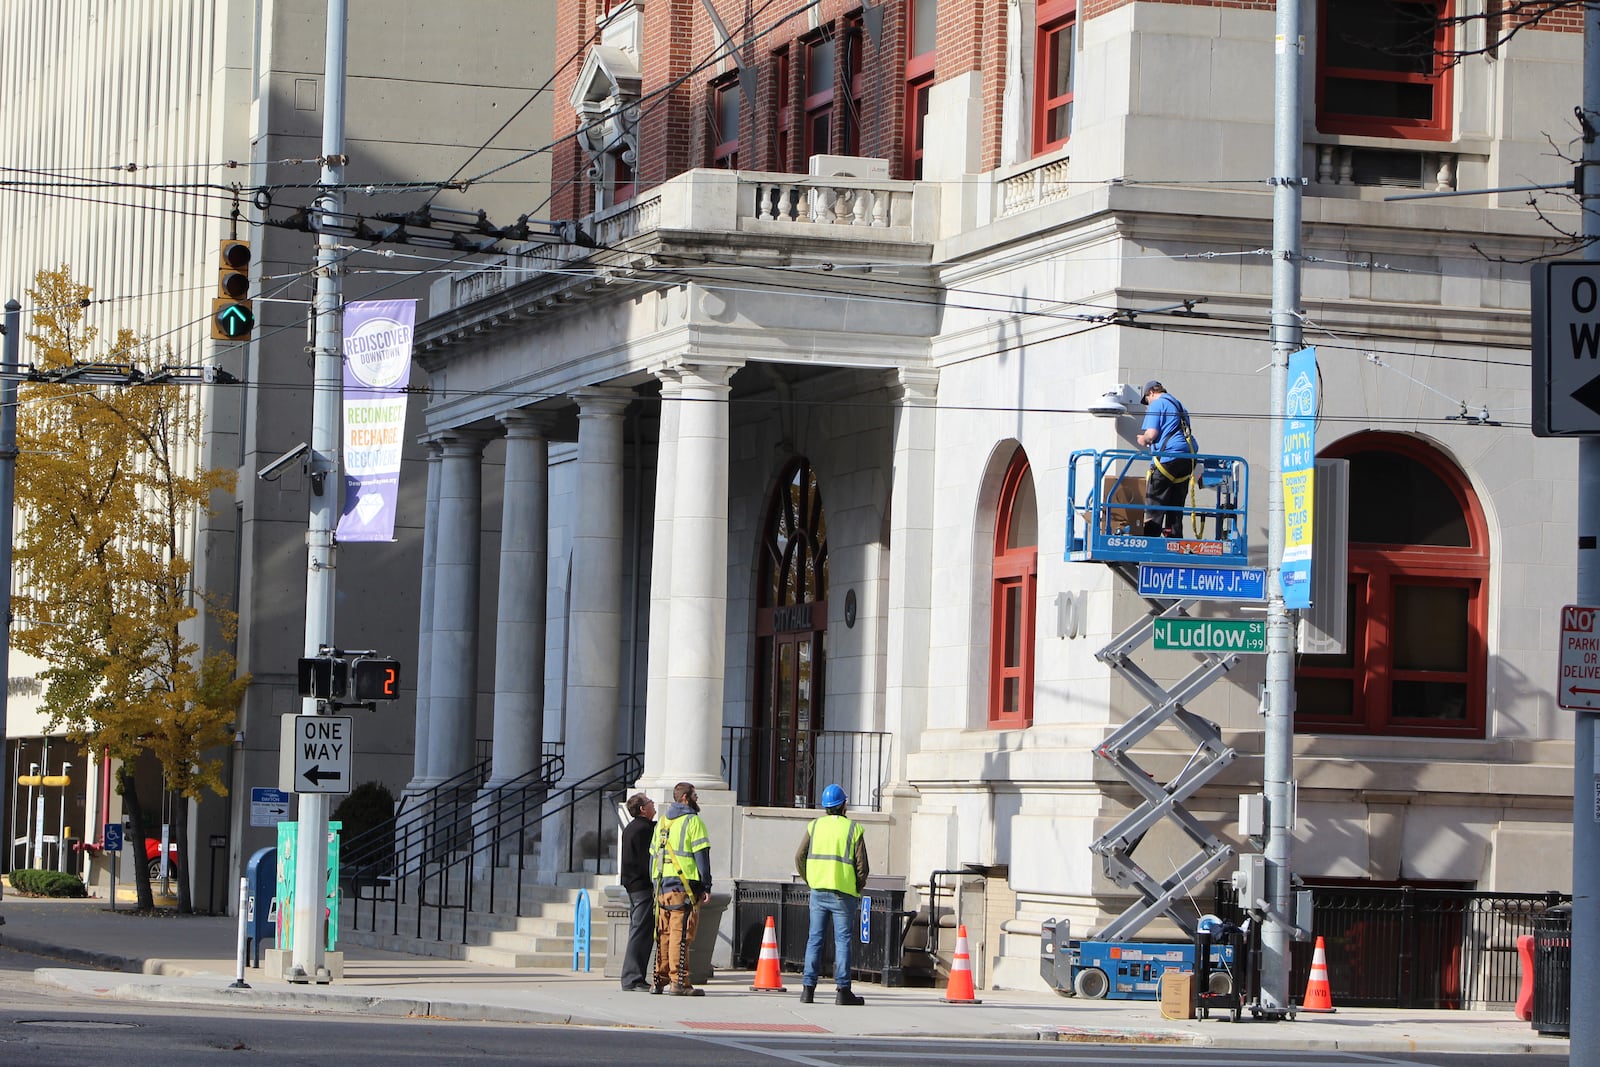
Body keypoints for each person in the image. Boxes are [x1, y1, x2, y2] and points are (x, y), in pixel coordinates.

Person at [795, 783, 870, 1006]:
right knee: (842, 941)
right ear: (844, 805)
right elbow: (862, 866)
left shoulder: (815, 826)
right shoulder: (853, 829)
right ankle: (843, 991)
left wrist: (811, 879)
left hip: (818, 891)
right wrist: (856, 887)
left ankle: (808, 990)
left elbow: (799, 856)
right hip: (844, 894)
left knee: (815, 939)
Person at [651, 781, 711, 996]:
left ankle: (659, 979)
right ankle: (679, 982)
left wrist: (655, 885)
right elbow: (702, 857)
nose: (697, 799)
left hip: (662, 886)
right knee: (681, 934)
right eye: (695, 795)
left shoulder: (663, 822)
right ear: (685, 797)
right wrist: (706, 885)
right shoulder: (693, 822)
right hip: (684, 886)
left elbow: (653, 856)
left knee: (664, 933)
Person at [1136, 380, 1198, 538]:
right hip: (1187, 459)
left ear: (1151, 393)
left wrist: (1142, 439)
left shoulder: (1157, 405)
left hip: (1168, 458)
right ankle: (1174, 539)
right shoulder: (1180, 406)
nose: (1148, 403)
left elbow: (1151, 435)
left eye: (1147, 399)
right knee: (1175, 506)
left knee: (1155, 503)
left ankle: (1150, 541)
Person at [618, 792, 657, 991]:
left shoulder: (632, 828)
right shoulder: (643, 829)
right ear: (643, 809)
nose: (653, 804)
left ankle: (636, 977)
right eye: (650, 802)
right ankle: (633, 978)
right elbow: (646, 861)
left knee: (640, 930)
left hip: (634, 885)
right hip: (641, 886)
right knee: (640, 931)